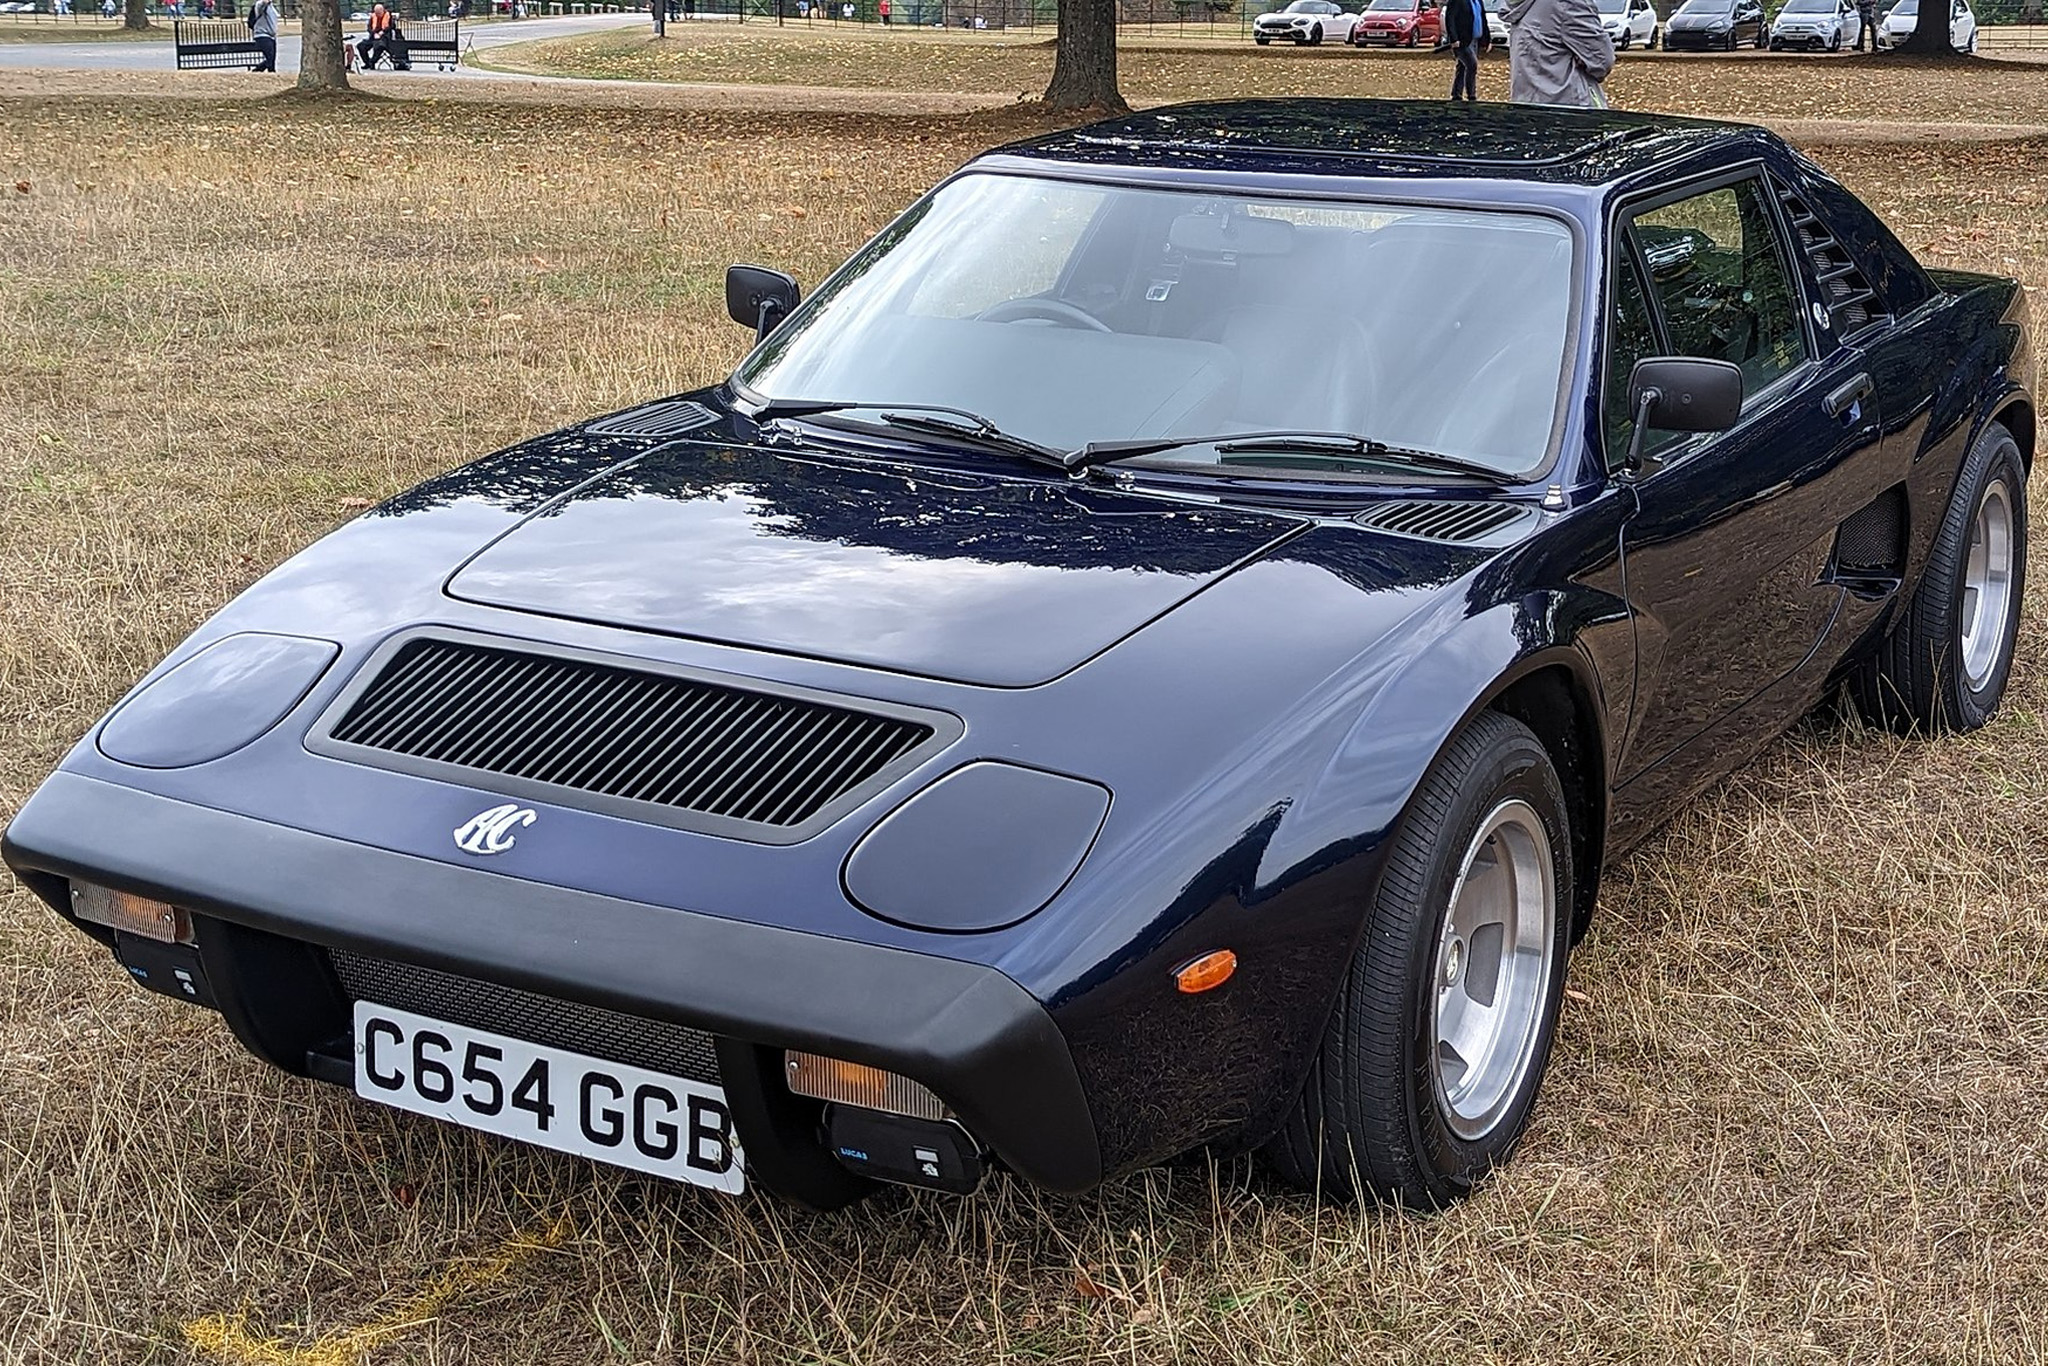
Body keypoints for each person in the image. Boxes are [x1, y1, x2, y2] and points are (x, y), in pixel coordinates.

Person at [1503, 0, 1612, 106]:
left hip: (1526, 104)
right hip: (1571, 109)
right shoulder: (1566, 4)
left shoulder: (1518, 5)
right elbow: (1602, 60)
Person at [1441, 0, 1488, 101]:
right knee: (1472, 65)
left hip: (1474, 39)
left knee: (1462, 66)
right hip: (1462, 41)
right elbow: (1450, 18)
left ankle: (1456, 94)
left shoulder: (1478, 1)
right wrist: (1453, 38)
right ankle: (1471, 94)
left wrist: (1487, 39)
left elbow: (1483, 19)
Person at [247, 0, 278, 68]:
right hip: (262, 35)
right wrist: (264, 1)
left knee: (271, 59)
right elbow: (261, 5)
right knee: (269, 58)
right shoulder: (260, 4)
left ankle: (271, 73)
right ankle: (256, 71)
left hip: (271, 36)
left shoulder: (271, 6)